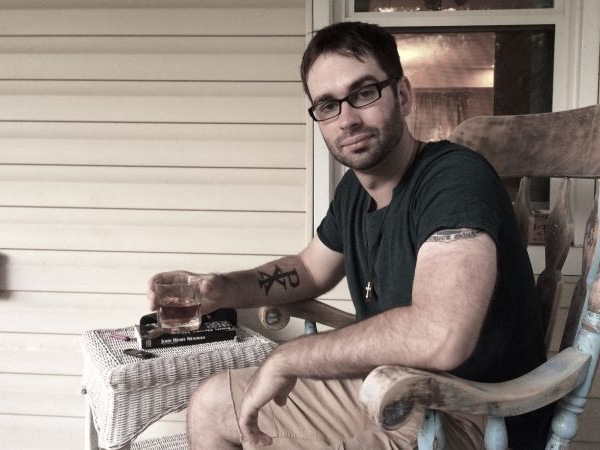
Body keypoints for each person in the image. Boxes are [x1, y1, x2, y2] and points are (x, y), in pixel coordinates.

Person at [148, 21, 551, 450]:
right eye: (327, 105)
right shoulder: (355, 193)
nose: (347, 120)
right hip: (393, 389)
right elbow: (309, 269)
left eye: (363, 93)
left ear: (403, 95)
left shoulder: (454, 179)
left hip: (473, 413)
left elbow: (440, 335)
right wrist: (223, 288)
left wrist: (290, 358)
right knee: (212, 406)